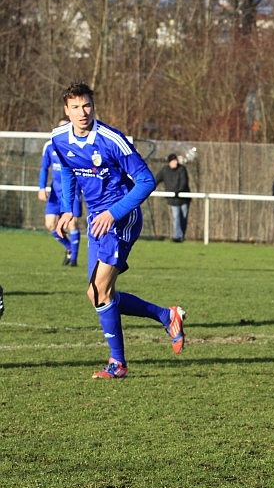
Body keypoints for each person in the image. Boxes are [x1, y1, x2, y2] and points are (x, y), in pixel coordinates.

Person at [51, 81, 185, 379]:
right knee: (96, 293)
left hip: (121, 217)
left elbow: (147, 181)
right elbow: (67, 170)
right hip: (97, 220)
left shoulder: (112, 140)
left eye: (86, 105)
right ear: (66, 110)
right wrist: (68, 209)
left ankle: (118, 363)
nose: (82, 112)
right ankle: (167, 315)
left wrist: (114, 213)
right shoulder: (59, 138)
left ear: (93, 105)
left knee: (101, 290)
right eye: (75, 107)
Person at [37, 117, 82, 266]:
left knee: (72, 224)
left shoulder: (77, 146)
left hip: (73, 190)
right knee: (50, 225)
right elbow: (44, 168)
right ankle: (69, 248)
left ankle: (74, 259)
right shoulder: (49, 146)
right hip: (55, 192)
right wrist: (41, 188)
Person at [154, 153, 192, 242]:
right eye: (173, 161)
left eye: (176, 161)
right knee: (177, 217)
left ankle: (181, 236)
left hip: (184, 199)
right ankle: (177, 236)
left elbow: (184, 182)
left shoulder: (182, 169)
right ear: (169, 162)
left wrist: (177, 191)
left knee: (184, 217)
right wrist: (150, 186)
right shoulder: (165, 170)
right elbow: (157, 179)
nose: (175, 162)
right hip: (173, 199)